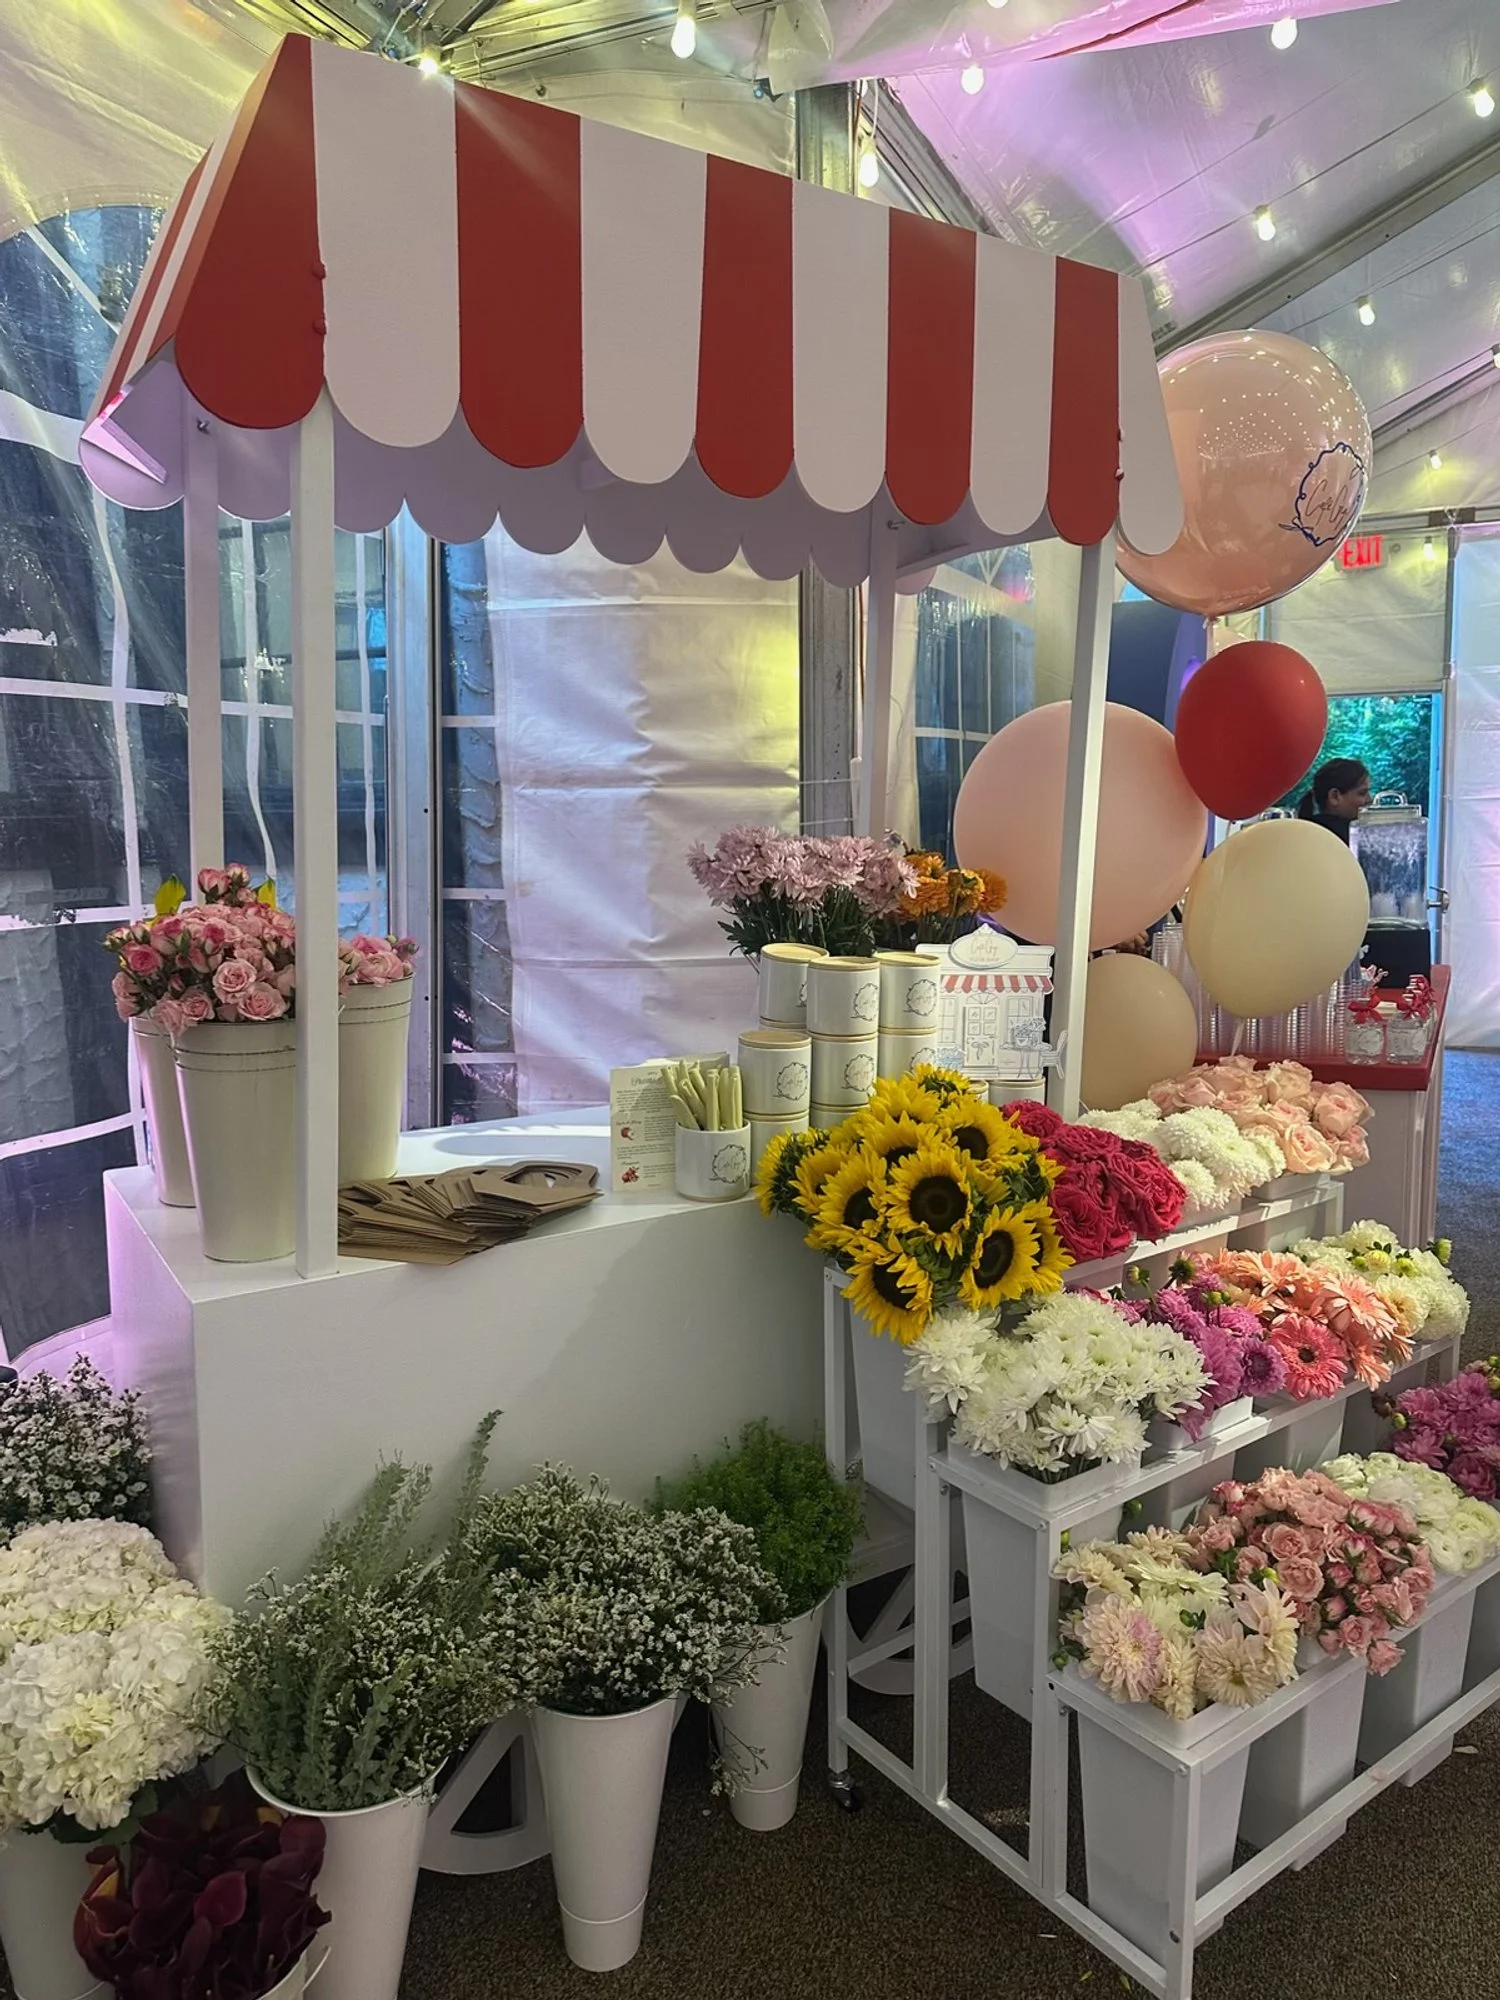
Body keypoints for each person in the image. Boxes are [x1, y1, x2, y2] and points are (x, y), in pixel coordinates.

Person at [1297, 758, 1371, 844]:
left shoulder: (1304, 834)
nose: (1369, 799)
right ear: (1334, 796)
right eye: (1362, 793)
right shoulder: (1351, 837)